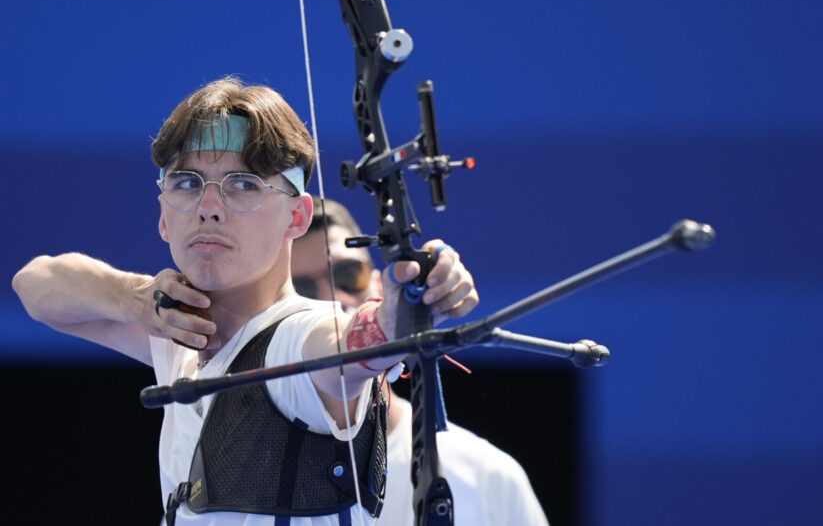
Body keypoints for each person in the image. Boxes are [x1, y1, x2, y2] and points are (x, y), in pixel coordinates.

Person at [12, 77, 479, 525]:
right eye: (187, 183)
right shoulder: (178, 332)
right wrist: (131, 299)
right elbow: (34, 286)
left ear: (297, 216)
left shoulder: (300, 338)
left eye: (243, 184)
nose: (208, 205)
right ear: (162, 218)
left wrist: (410, 304)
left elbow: (355, 343)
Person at [291, 198, 549, 525]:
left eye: (347, 274)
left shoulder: (487, 474)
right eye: (303, 290)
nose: (333, 298)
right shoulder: (241, 476)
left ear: (378, 286)